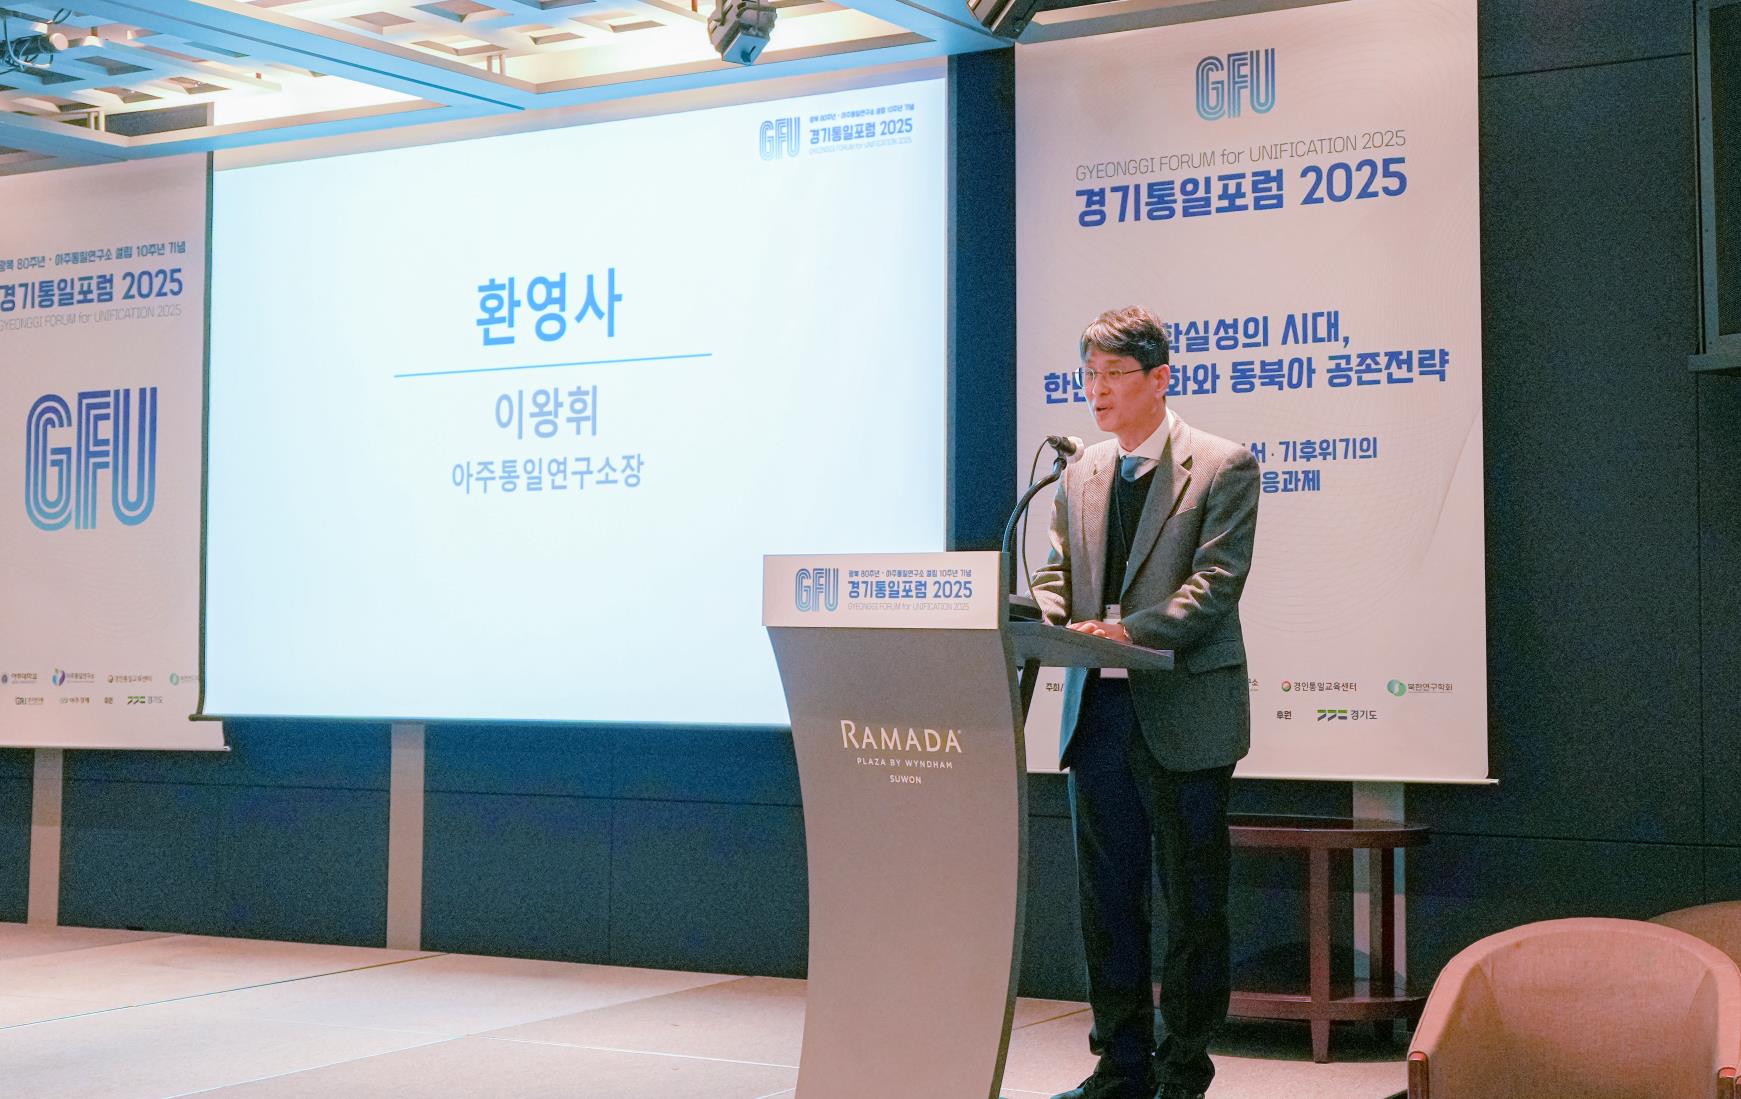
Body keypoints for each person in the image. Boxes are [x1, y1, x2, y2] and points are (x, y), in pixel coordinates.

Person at [1031, 307, 1260, 1099]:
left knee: (1192, 902)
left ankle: (1182, 1068)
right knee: (1107, 899)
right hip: (1097, 713)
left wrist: (1125, 630)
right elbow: (1056, 574)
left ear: (1159, 378)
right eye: (1087, 375)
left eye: (1112, 375)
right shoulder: (1078, 471)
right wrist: (1049, 618)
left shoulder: (1222, 465)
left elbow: (1213, 586)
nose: (1095, 391)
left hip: (1183, 711)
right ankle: (1119, 1064)